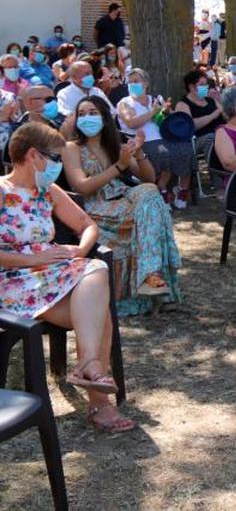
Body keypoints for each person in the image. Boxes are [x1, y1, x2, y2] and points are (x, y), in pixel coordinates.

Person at [0, 122, 134, 432]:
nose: (60, 165)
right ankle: (99, 400)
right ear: (34, 155)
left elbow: (88, 225)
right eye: (56, 158)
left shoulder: (47, 190)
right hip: (14, 282)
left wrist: (80, 250)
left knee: (96, 271)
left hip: (54, 276)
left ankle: (88, 366)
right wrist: (32, 258)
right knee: (100, 312)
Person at [63, 98, 181, 315]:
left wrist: (139, 153)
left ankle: (151, 276)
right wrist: (119, 166)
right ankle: (154, 280)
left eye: (93, 112)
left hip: (125, 197)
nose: (87, 117)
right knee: (157, 211)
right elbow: (82, 187)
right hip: (96, 205)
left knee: (150, 192)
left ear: (105, 118)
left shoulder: (115, 146)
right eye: (82, 113)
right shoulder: (71, 148)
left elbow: (148, 178)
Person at [116, 69, 194, 209]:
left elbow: (166, 118)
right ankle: (162, 189)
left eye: (136, 81)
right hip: (143, 140)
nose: (132, 84)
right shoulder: (125, 103)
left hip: (165, 136)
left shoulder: (156, 99)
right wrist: (152, 111)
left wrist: (166, 111)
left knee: (186, 149)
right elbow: (131, 122)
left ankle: (182, 189)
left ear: (145, 83)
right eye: (130, 82)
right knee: (163, 152)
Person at [176, 69, 223, 172]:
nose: (205, 87)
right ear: (192, 87)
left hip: (221, 134)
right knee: (212, 138)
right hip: (198, 139)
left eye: (206, 84)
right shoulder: (183, 104)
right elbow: (190, 126)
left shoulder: (211, 100)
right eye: (202, 84)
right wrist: (212, 115)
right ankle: (218, 175)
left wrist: (220, 100)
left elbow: (224, 115)